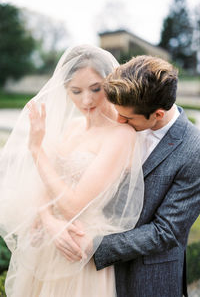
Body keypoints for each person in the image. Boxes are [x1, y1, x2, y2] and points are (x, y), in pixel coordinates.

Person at [0, 45, 144, 296]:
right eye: (76, 91)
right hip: (51, 241)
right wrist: (48, 220)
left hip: (80, 248)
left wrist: (36, 149)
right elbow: (47, 182)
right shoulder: (73, 128)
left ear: (110, 84)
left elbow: (75, 206)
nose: (86, 100)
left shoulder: (121, 135)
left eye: (95, 88)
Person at [92, 55, 200, 297]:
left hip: (147, 280)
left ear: (158, 114)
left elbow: (166, 231)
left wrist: (93, 246)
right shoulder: (121, 118)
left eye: (128, 118)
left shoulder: (195, 150)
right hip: (96, 279)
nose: (118, 121)